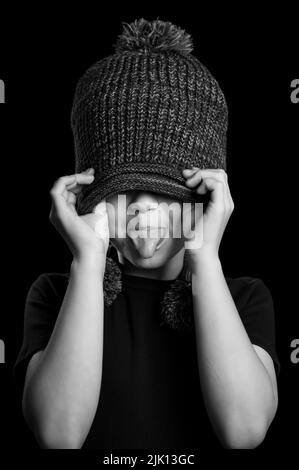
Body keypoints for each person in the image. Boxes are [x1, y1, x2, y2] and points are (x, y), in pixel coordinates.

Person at [13, 18, 280, 450]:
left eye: (163, 189)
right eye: (122, 189)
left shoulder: (246, 299)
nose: (142, 207)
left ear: (203, 198)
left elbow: (244, 431)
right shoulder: (53, 296)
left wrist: (205, 260)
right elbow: (59, 434)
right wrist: (87, 263)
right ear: (90, 197)